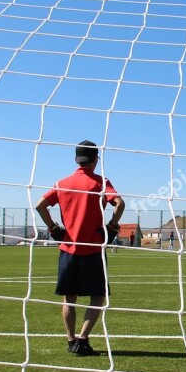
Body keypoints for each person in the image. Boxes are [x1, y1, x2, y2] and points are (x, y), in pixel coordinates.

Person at [35, 140, 125, 357]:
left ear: (76, 159)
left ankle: (70, 340)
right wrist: (111, 227)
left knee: (69, 299)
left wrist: (54, 229)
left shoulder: (62, 183)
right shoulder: (100, 183)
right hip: (93, 249)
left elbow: (40, 205)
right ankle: (83, 340)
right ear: (96, 160)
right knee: (97, 296)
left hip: (68, 249)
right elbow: (120, 203)